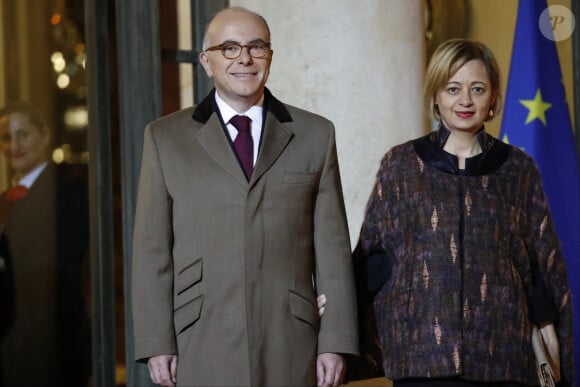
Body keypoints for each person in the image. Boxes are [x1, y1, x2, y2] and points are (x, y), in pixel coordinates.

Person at [131, 6, 358, 387]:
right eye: (230, 48)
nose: (245, 59)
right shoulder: (164, 138)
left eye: (256, 47)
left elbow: (332, 247)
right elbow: (152, 251)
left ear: (270, 56)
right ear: (207, 61)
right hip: (199, 337)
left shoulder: (315, 134)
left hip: (290, 338)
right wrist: (156, 342)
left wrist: (334, 341)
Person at [353, 39, 574, 386]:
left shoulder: (518, 169)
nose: (465, 100)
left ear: (493, 99)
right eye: (453, 88)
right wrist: (334, 308)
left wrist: (548, 328)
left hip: (503, 356)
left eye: (477, 89)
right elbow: (373, 256)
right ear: (436, 96)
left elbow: (538, 261)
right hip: (421, 356)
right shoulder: (401, 165)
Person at [0, 101, 91, 387]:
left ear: (44, 136)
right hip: (9, 346)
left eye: (23, 134)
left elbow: (62, 268)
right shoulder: (4, 201)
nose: (15, 145)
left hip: (53, 345)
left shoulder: (67, 195)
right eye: (6, 137)